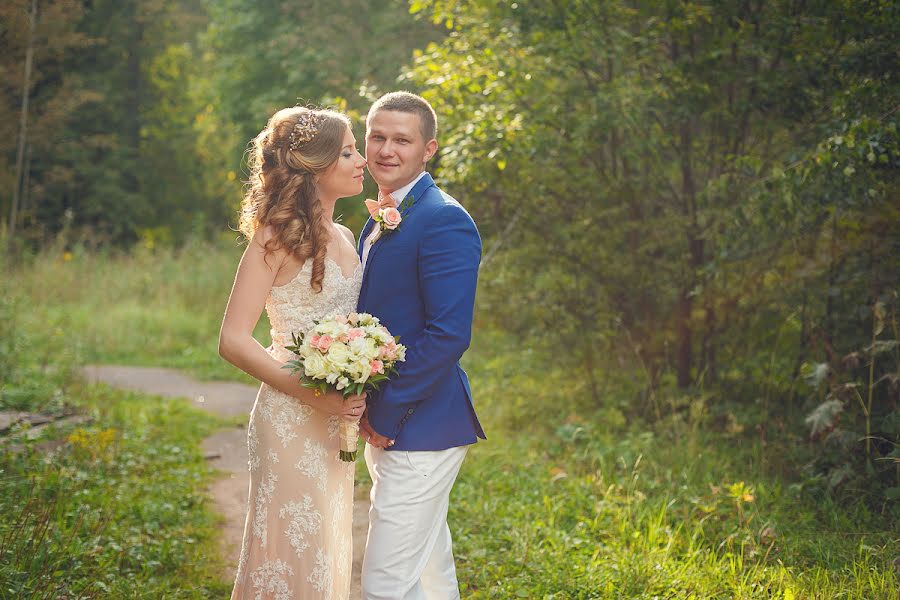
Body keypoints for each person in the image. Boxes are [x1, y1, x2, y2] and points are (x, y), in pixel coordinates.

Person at [218, 106, 367, 599]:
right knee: (288, 554)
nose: (362, 160)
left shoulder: (347, 236)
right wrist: (312, 393)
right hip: (288, 419)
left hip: (335, 421)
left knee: (325, 550)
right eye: (348, 151)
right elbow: (234, 339)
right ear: (316, 164)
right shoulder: (275, 236)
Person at [357, 91, 486, 600]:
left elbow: (449, 334)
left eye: (402, 140)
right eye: (377, 137)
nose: (387, 150)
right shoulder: (382, 214)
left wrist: (385, 412)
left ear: (428, 149)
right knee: (429, 575)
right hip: (398, 420)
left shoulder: (443, 219)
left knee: (385, 583)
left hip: (421, 424)